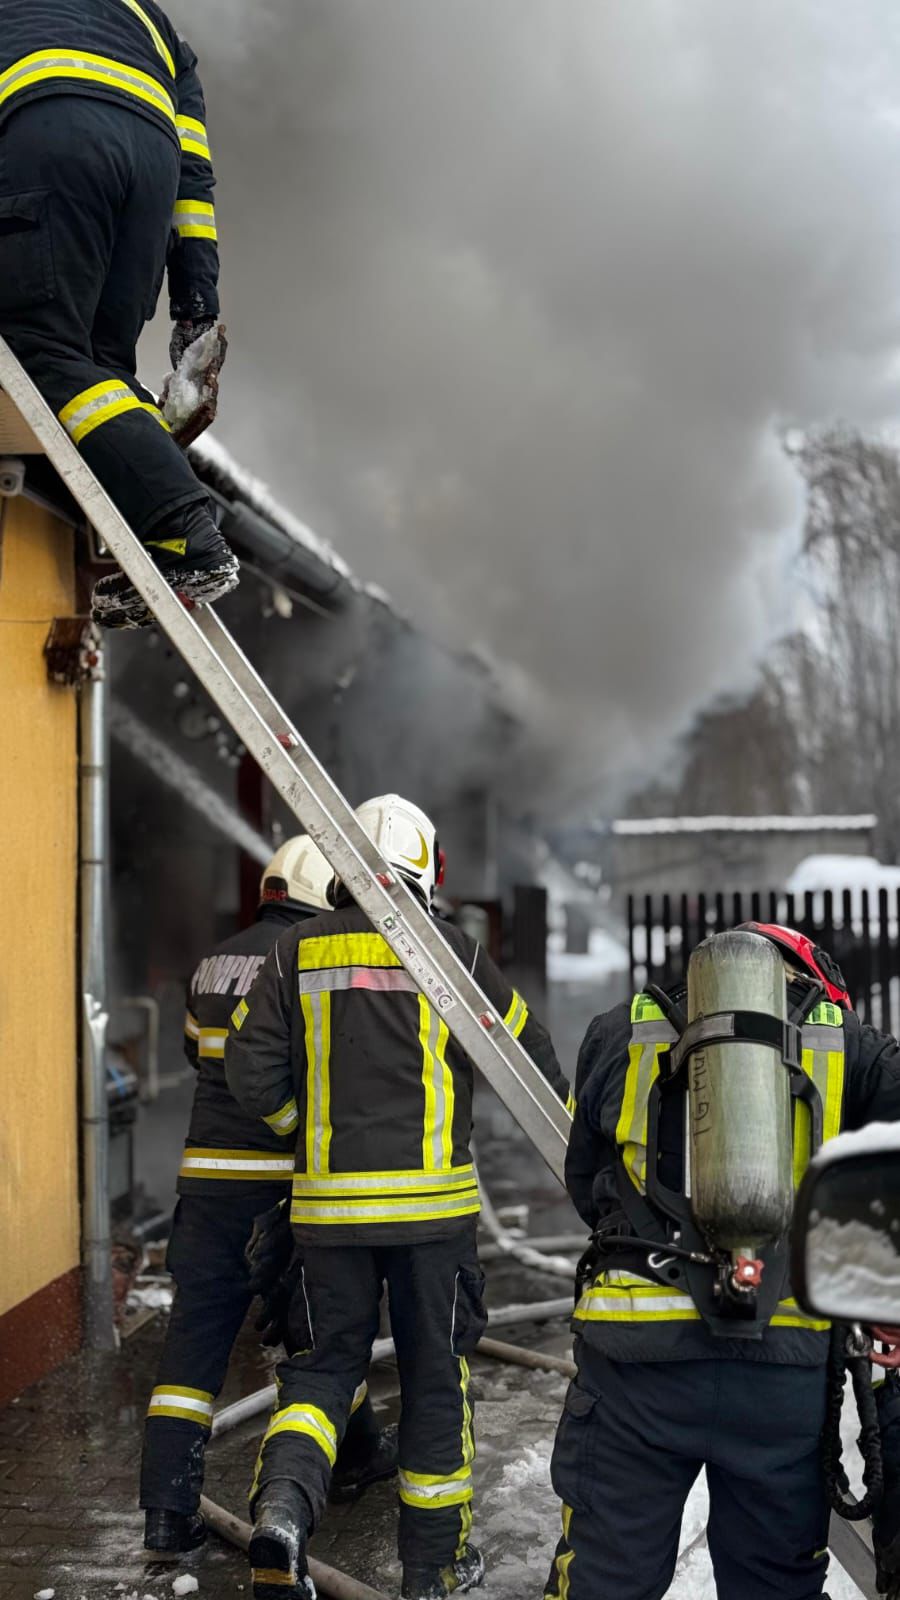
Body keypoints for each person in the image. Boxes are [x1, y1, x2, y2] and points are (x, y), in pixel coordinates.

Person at [225, 794, 574, 1600]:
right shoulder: (452, 952)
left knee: (320, 1375)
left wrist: (308, 1130)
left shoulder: (294, 953)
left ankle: (281, 1517)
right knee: (432, 1378)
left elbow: (247, 1072)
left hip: (326, 1220)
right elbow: (528, 1061)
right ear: (428, 867)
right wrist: (580, 1160)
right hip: (432, 1223)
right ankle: (433, 1568)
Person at [543, 922, 900, 1600]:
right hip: (784, 1369)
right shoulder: (850, 1043)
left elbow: (587, 1182)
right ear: (811, 979)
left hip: (635, 1364)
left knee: (605, 1580)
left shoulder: (622, 1029)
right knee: (774, 1586)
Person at [140, 836, 397, 1556]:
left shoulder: (213, 962)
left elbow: (201, 1055)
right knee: (325, 1332)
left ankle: (166, 1514)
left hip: (205, 1187)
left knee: (191, 1352)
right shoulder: (311, 960)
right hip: (281, 1185)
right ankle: (346, 1465)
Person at [0, 0, 239, 629]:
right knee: (96, 370)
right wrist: (196, 306)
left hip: (53, 135)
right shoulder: (153, 23)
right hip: (148, 173)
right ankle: (164, 536)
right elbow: (194, 182)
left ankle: (187, 534)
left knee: (39, 354)